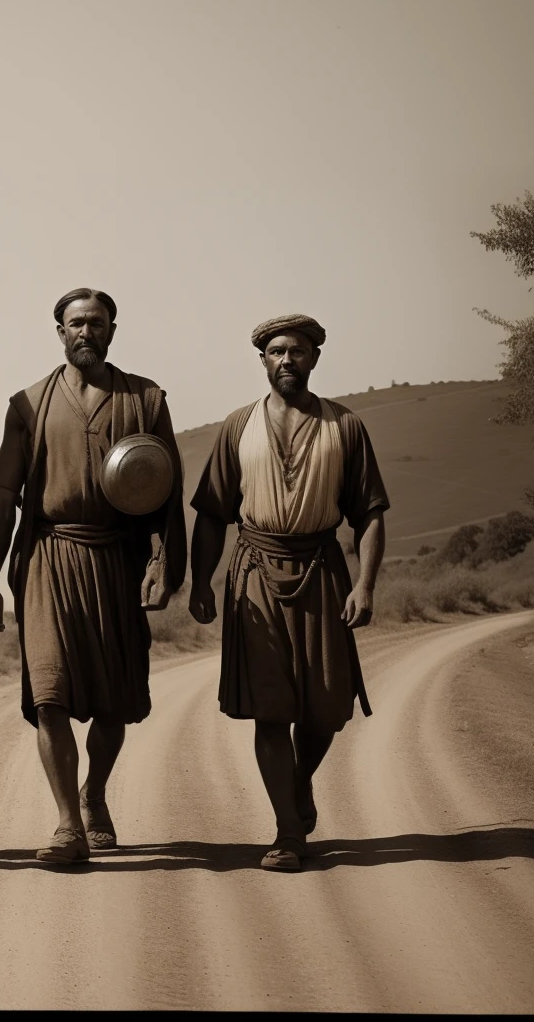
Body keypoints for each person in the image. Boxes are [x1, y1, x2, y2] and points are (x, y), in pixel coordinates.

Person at [0, 289, 186, 864]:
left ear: (113, 330)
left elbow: (169, 492)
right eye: (75, 324)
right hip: (48, 557)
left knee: (114, 700)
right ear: (59, 331)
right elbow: (3, 496)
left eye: (96, 323)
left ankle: (95, 791)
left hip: (118, 557)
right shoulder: (28, 404)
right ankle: (68, 823)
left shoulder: (146, 399)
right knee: (49, 694)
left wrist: (165, 565)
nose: (85, 333)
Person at [188, 314, 389, 872]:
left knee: (325, 709)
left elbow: (370, 513)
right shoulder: (236, 427)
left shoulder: (345, 427)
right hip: (253, 573)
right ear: (262, 360)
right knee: (271, 711)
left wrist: (366, 584)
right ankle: (286, 830)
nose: (287, 360)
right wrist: (201, 581)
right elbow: (211, 514)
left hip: (323, 570)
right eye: (276, 352)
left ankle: (299, 786)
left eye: (297, 352)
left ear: (315, 359)